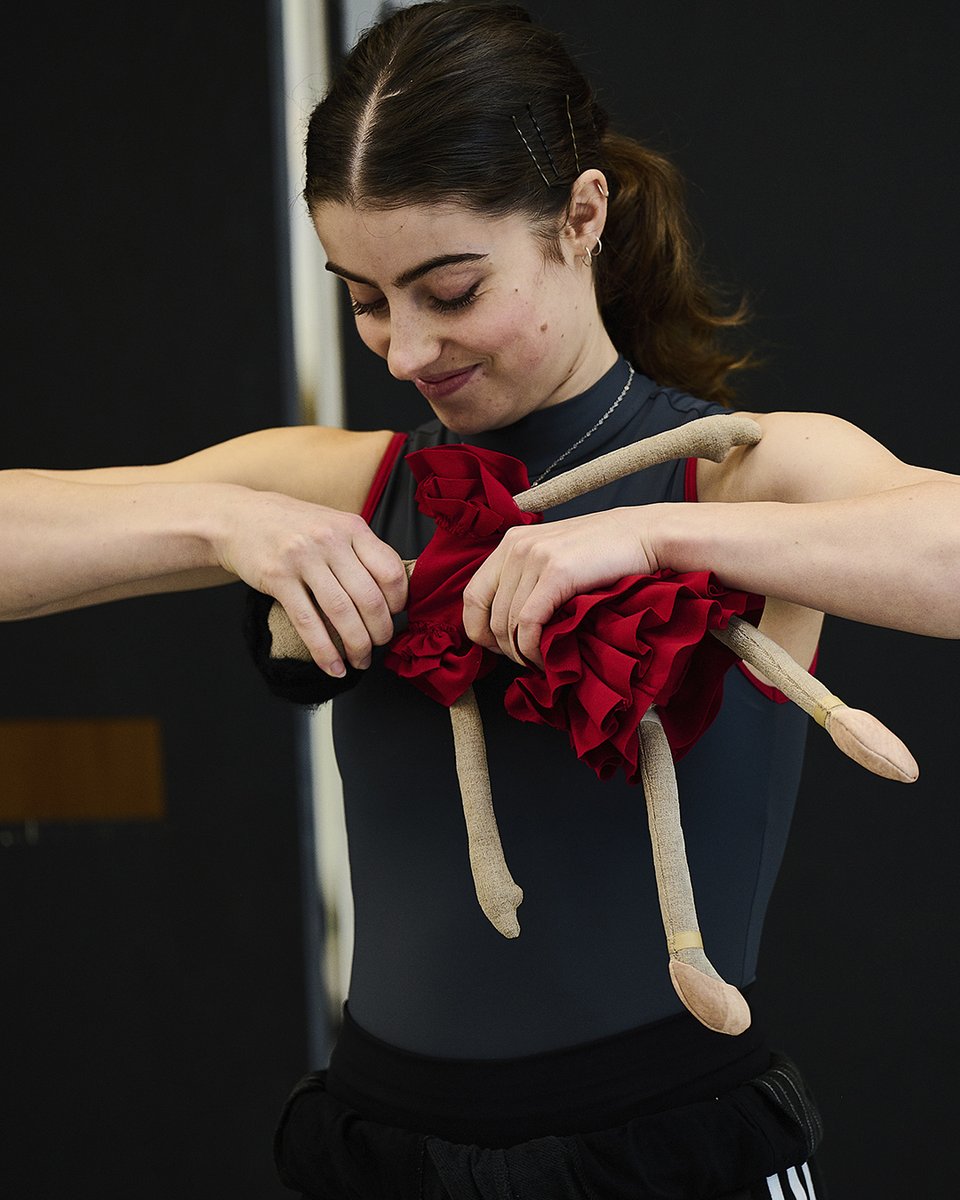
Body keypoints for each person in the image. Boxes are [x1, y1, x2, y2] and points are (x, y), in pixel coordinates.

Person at [2, 2, 958, 1197]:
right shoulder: (358, 480)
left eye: (449, 289)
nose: (404, 352)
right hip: (380, 1148)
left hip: (665, 1155)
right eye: (364, 297)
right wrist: (218, 515)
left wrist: (654, 532)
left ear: (583, 217)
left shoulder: (742, 466)